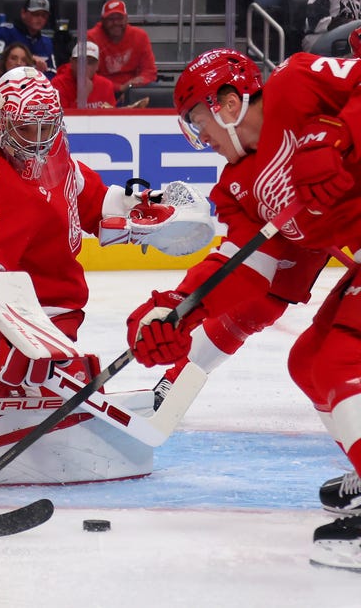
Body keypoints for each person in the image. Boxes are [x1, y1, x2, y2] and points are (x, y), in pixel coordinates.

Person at [124, 47, 361, 570]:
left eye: (198, 119)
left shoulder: (298, 84)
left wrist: (345, 133)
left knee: (338, 361)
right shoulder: (239, 188)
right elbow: (253, 274)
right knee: (310, 359)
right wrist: (177, 312)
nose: (199, 136)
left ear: (229, 102)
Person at [0, 67, 197, 399]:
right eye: (26, 130)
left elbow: (82, 194)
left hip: (50, 312)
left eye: (48, 128)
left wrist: (138, 207)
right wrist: (6, 329)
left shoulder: (47, 150)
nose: (39, 142)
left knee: (73, 387)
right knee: (65, 393)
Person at [86, 0, 158, 104]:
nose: (115, 23)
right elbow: (89, 75)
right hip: (104, 88)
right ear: (102, 21)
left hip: (133, 89)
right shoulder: (91, 38)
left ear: (126, 19)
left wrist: (130, 89)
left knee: (156, 90)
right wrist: (120, 88)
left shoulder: (140, 36)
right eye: (110, 19)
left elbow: (150, 71)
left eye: (119, 18)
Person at [0, 0, 56, 77]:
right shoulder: (4, 31)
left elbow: (52, 72)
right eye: (36, 14)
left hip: (33, 87)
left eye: (44, 16)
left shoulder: (46, 41)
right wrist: (28, 59)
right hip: (0, 84)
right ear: (23, 13)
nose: (40, 19)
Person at [51, 41, 117, 108]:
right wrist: (82, 97)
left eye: (90, 62)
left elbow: (112, 115)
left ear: (97, 65)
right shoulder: (58, 84)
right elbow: (61, 117)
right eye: (81, 61)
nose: (85, 67)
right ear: (71, 63)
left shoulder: (106, 85)